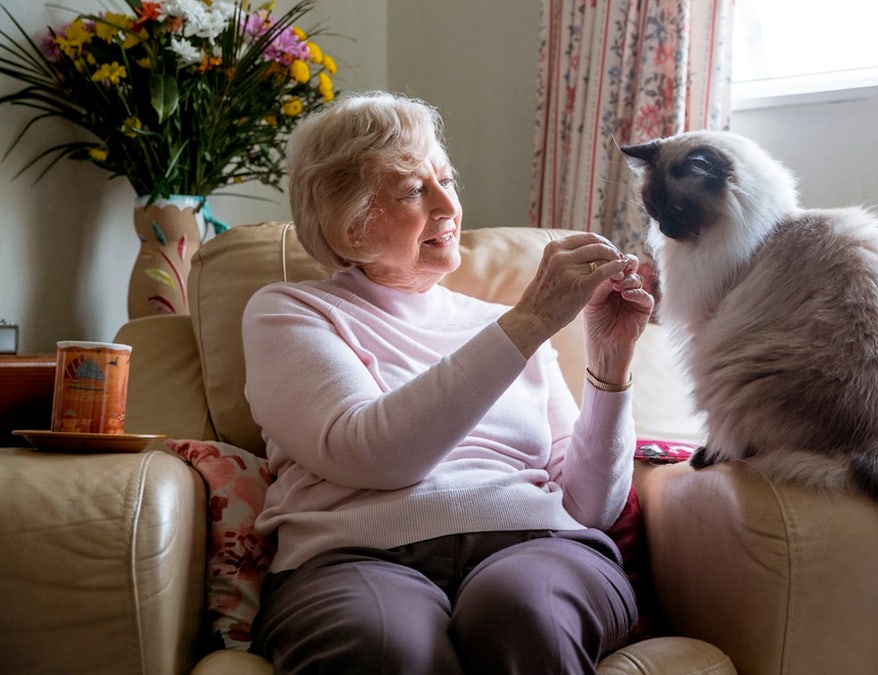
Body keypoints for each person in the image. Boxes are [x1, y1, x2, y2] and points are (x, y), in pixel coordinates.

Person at [242, 91, 655, 674]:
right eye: (414, 189)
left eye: (447, 179)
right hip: (353, 557)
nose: (449, 205)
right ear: (351, 227)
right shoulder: (289, 312)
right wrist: (530, 320)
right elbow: (374, 455)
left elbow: (590, 507)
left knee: (521, 611)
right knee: (384, 642)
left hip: (538, 544)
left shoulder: (500, 327)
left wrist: (610, 365)